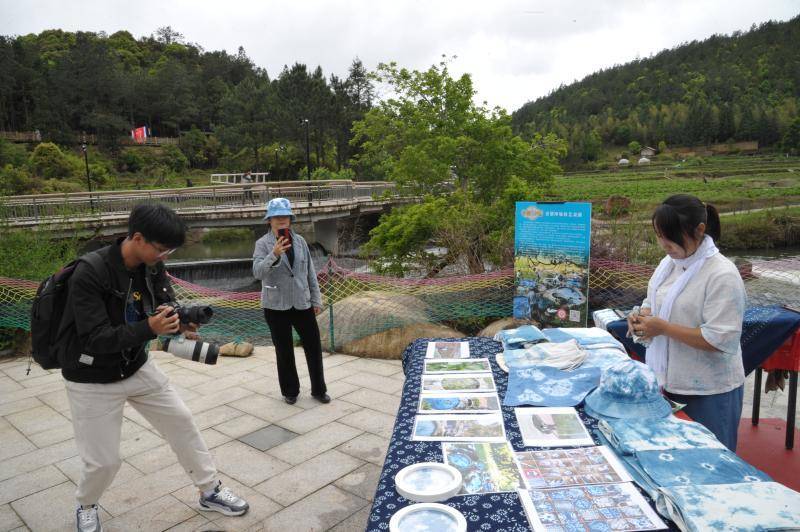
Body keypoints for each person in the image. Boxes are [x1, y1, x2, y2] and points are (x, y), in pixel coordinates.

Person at [62, 203, 249, 532]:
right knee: (104, 461)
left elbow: (165, 303)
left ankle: (210, 490)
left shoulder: (152, 266)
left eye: (169, 250)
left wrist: (179, 324)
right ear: (137, 238)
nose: (165, 256)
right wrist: (150, 328)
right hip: (90, 377)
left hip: (135, 365)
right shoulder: (90, 271)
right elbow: (94, 338)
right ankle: (86, 505)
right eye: (161, 249)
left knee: (182, 423)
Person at [628, 194, 746, 451]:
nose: (664, 243)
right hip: (669, 382)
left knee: (713, 464)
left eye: (669, 236)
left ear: (699, 230)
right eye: (659, 235)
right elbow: (653, 302)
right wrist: (641, 318)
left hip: (709, 391)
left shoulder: (721, 274)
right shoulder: (669, 264)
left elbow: (720, 339)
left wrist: (662, 328)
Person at [253, 197, 330, 405]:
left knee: (313, 347)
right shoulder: (262, 244)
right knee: (284, 351)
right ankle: (290, 391)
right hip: (275, 306)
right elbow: (257, 272)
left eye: (285, 216)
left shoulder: (300, 241)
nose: (281, 221)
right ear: (269, 220)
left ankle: (319, 390)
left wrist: (316, 300)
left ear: (290, 219)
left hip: (302, 302)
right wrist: (273, 254)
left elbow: (310, 273)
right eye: (276, 217)